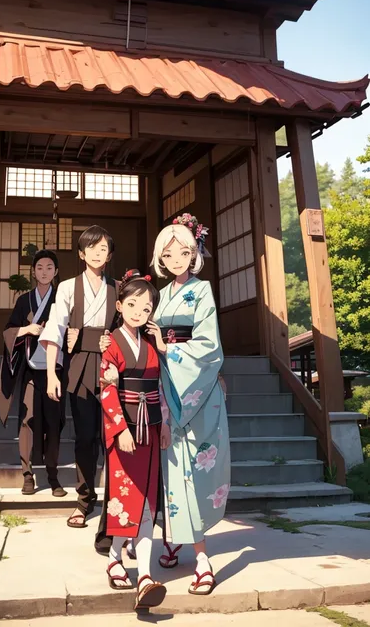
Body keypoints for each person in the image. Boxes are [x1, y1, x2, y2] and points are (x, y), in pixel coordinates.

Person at [147, 213, 231, 596]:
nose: (176, 259)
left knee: (193, 472)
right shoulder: (160, 295)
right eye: (168, 254)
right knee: (170, 467)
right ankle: (174, 540)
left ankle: (202, 559)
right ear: (160, 259)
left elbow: (209, 345)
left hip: (195, 390)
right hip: (166, 386)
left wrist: (170, 350)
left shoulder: (203, 290)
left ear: (194, 253)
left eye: (184, 251)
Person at [40, 225, 118, 539]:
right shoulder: (69, 287)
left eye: (104, 248)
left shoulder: (119, 288)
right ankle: (85, 500)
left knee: (113, 436)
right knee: (86, 436)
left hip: (114, 368)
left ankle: (118, 499)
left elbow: (127, 326)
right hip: (81, 369)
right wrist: (50, 374)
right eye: (93, 248)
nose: (99, 253)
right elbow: (56, 329)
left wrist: (106, 339)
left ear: (110, 255)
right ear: (82, 253)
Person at [100, 269, 170, 610]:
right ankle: (114, 555)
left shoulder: (151, 347)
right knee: (124, 497)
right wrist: (120, 428)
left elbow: (159, 388)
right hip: (125, 429)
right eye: (133, 305)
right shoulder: (111, 342)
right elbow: (107, 388)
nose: (139, 313)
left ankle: (144, 574)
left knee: (147, 502)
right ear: (120, 305)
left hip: (151, 428)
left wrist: (166, 424)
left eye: (146, 308)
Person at [0, 249, 67, 497]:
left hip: (55, 370)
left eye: (49, 267)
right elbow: (8, 332)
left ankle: (53, 475)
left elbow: (73, 331)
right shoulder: (23, 301)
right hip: (29, 370)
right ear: (34, 271)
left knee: (53, 422)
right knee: (27, 420)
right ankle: (27, 474)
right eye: (40, 268)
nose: (44, 272)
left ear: (56, 272)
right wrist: (27, 329)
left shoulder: (63, 298)